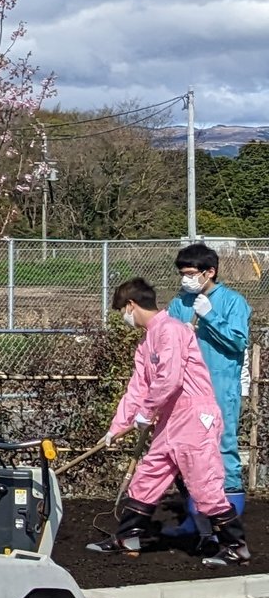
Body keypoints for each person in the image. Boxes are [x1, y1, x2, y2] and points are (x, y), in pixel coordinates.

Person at [96, 279, 248, 565]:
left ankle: (235, 547)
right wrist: (117, 426)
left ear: (131, 305)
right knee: (147, 477)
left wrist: (146, 411)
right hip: (170, 420)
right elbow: (137, 387)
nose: (124, 317)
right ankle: (127, 537)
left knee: (204, 485)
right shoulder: (147, 342)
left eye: (122, 310)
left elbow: (170, 378)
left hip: (194, 418)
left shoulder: (172, 331)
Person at [169, 242, 250, 519]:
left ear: (210, 272)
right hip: (186, 393)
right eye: (182, 274)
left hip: (220, 388)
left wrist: (210, 317)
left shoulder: (233, 302)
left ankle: (228, 524)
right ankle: (197, 521)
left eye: (191, 274)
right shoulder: (179, 303)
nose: (186, 279)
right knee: (185, 453)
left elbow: (238, 342)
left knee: (223, 447)